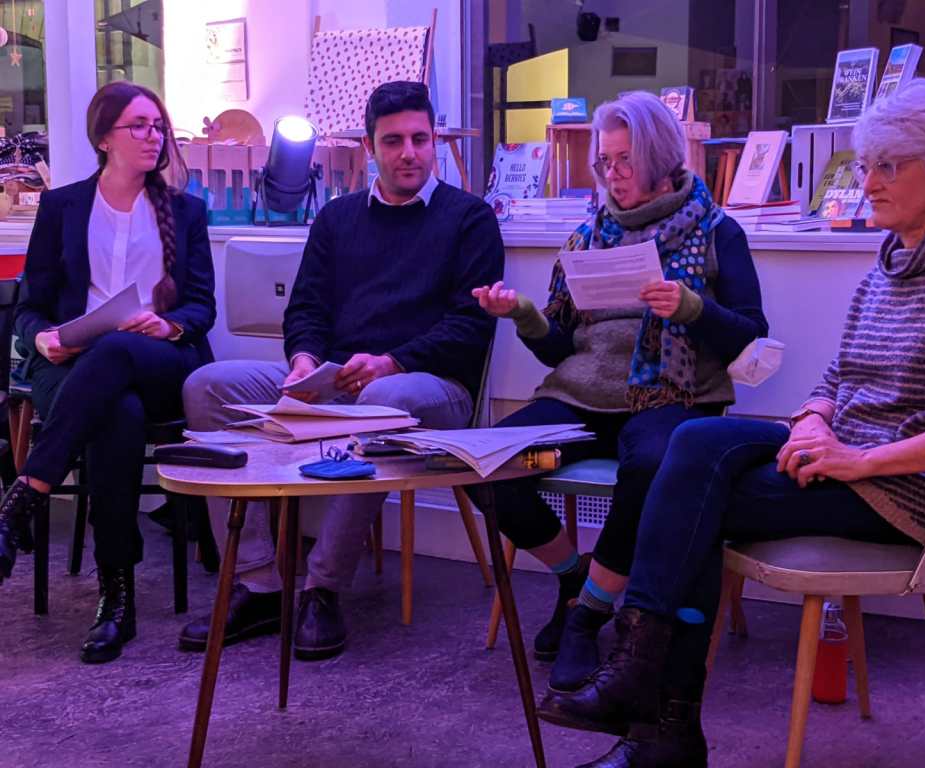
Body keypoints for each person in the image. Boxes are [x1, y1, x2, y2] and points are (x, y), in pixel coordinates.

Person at [540, 78, 925, 768]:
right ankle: (646, 694)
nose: (869, 183)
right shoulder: (887, 267)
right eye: (868, 165)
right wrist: (813, 421)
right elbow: (837, 378)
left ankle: (653, 713)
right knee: (694, 441)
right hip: (843, 458)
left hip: (906, 492)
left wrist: (860, 461)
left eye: (889, 166)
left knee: (692, 503)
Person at [179, 81, 503, 660]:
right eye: (394, 141)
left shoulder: (469, 218)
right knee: (207, 385)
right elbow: (305, 308)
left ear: (434, 140)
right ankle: (258, 583)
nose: (409, 153)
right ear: (370, 148)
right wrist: (304, 361)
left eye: (420, 139)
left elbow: (470, 328)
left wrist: (390, 361)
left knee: (385, 398)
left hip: (430, 388)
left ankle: (323, 588)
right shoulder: (336, 218)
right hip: (337, 379)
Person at [469, 91, 768, 692]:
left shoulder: (716, 231)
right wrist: (524, 314)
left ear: (659, 156)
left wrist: (692, 308)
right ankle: (575, 578)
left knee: (652, 467)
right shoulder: (587, 237)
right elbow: (559, 349)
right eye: (604, 161)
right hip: (580, 404)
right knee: (489, 463)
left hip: (671, 398)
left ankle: (587, 618)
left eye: (625, 159)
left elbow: (751, 334)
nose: (612, 173)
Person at [0, 81, 215, 664]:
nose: (153, 136)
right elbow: (30, 308)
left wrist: (166, 325)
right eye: (138, 126)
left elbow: (202, 307)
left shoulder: (186, 211)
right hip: (73, 365)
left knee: (117, 351)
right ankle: (116, 597)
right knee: (116, 413)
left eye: (157, 126)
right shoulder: (63, 207)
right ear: (104, 139)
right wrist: (43, 338)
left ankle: (24, 495)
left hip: (161, 359)